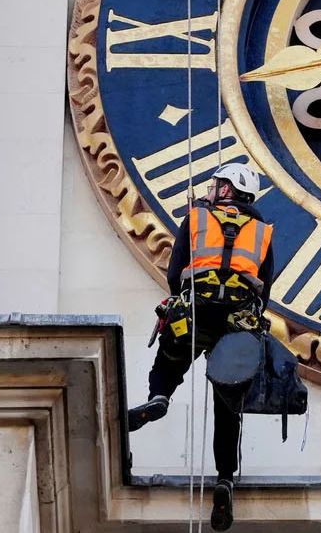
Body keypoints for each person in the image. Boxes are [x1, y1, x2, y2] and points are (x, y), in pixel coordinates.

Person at [128, 161, 274, 532]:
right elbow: (266, 288)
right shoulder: (261, 232)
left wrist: (188, 298)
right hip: (238, 321)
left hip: (197, 309)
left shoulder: (196, 220)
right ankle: (224, 476)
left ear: (227, 190)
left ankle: (159, 398)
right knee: (228, 404)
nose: (210, 191)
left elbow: (176, 272)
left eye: (216, 185)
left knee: (170, 359)